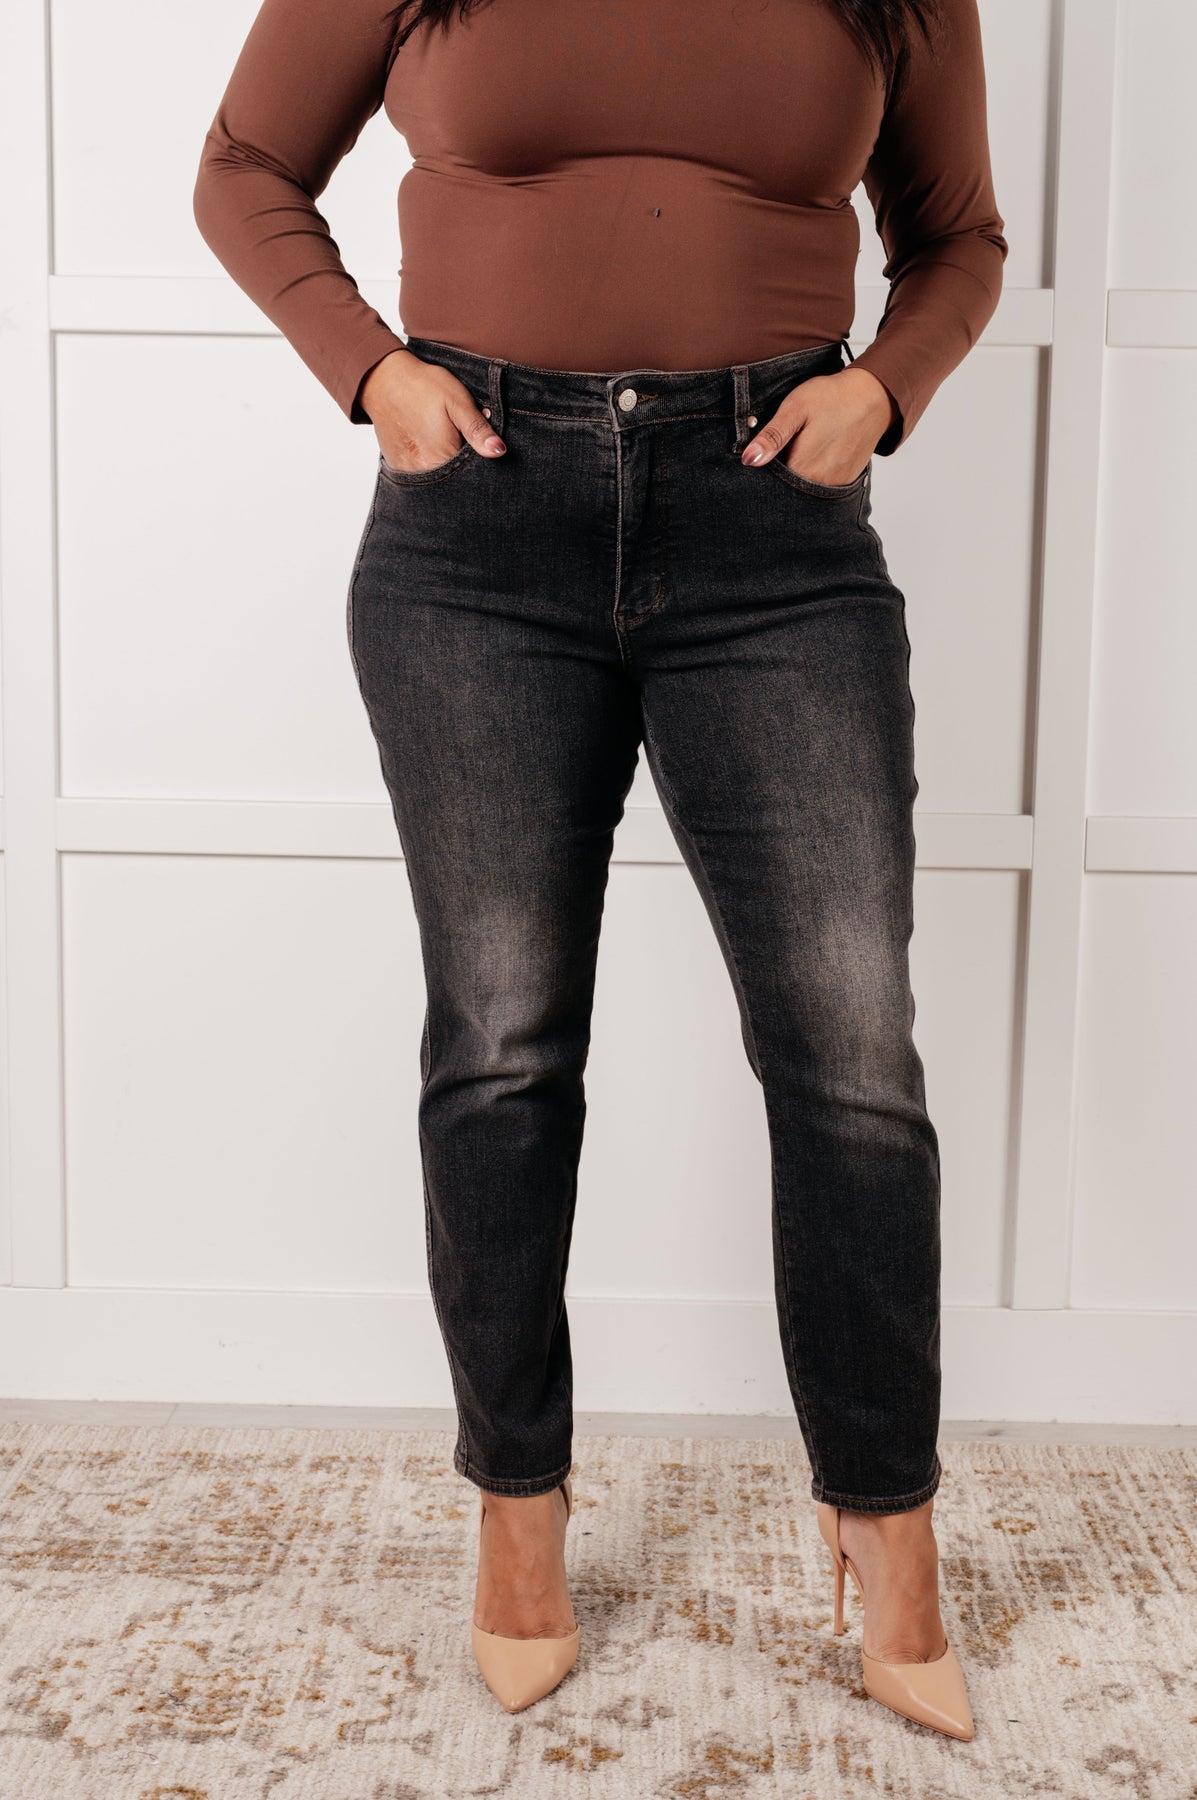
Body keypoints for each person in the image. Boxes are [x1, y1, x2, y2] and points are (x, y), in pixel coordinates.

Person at [193, 0, 1007, 1734]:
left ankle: (885, 1520)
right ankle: (517, 1504)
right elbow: (246, 166)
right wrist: (373, 373)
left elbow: (959, 238)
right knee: (501, 1045)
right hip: (476, 530)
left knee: (852, 1055)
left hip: (773, 534)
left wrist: (882, 391)